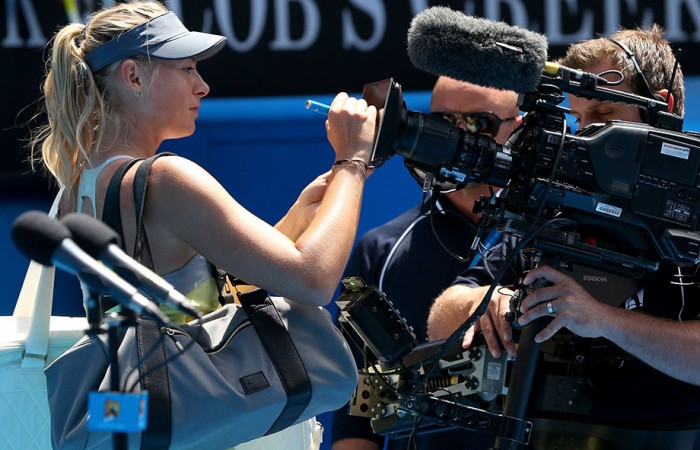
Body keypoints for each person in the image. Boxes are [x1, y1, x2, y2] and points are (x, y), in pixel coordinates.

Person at [29, 2, 376, 449]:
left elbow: (186, 295)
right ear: (133, 77)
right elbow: (313, 280)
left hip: (146, 420)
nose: (203, 86)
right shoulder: (166, 178)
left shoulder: (72, 192)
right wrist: (353, 161)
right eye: (187, 69)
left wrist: (295, 220)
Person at [427, 26, 700, 449]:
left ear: (662, 106)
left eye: (605, 116)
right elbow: (439, 320)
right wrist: (489, 300)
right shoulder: (556, 199)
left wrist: (604, 321)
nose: (586, 135)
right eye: (580, 119)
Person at [330, 75, 521, 450]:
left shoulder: (559, 236)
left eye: (478, 123)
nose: (459, 139)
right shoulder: (380, 250)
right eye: (445, 124)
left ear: (518, 127)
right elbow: (356, 414)